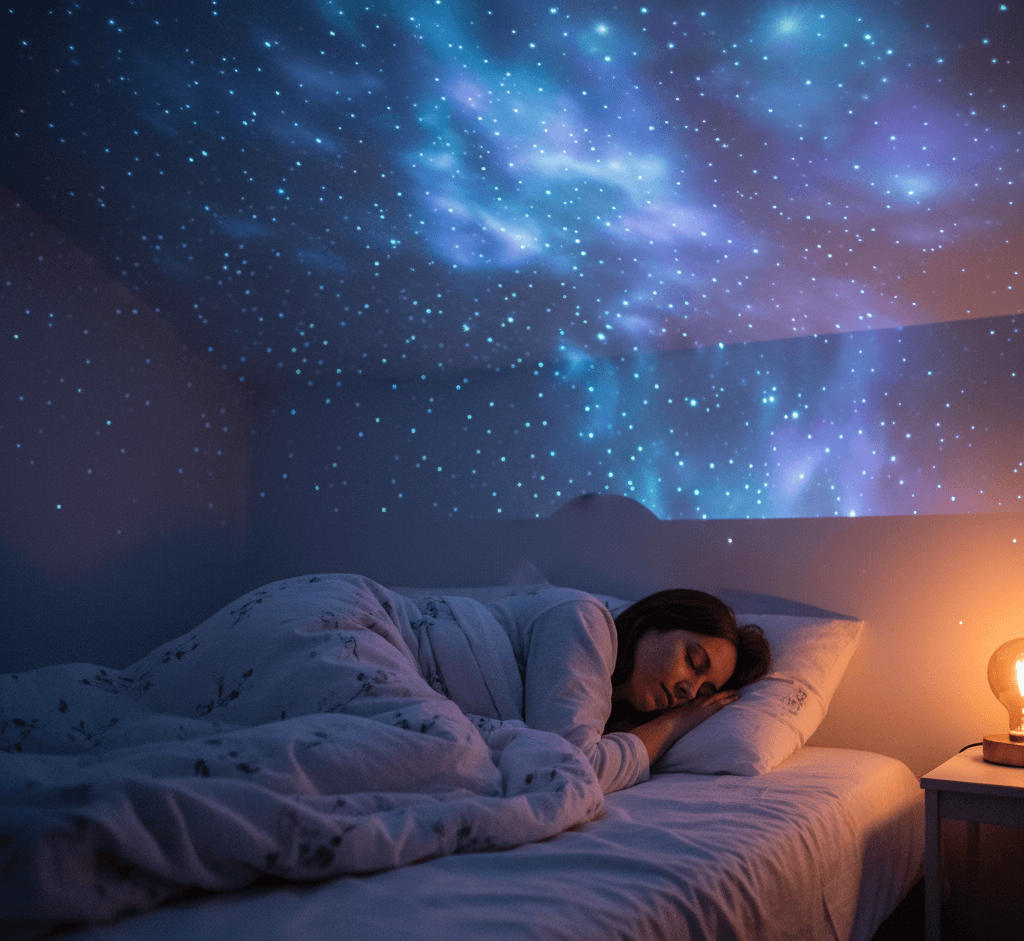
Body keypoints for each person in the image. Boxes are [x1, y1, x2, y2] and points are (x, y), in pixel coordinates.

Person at [485, 586, 771, 794]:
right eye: (692, 661)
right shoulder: (582, 617)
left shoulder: (605, 712)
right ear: (654, 623)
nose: (691, 692)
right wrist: (672, 724)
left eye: (705, 690)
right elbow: (567, 770)